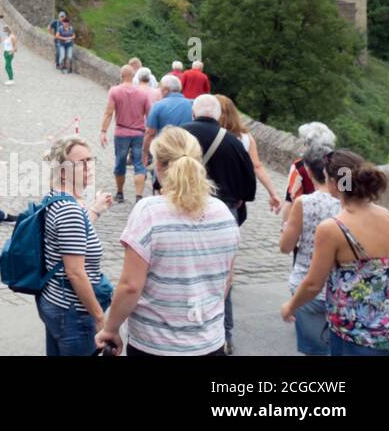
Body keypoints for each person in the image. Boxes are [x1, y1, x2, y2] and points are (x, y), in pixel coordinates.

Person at [96, 128, 240, 356]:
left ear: (159, 166)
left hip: (156, 344)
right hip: (209, 342)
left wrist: (110, 328)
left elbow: (131, 286)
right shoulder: (223, 212)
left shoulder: (149, 211)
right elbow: (226, 279)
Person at [281, 150, 389, 356]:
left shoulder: (333, 228)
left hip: (355, 335)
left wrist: (291, 305)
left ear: (335, 183)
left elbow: (313, 284)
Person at [182, 93, 257, 352]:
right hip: (224, 213)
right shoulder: (235, 143)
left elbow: (160, 179)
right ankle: (223, 335)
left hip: (183, 208)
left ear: (193, 113)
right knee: (221, 274)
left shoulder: (178, 136)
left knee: (182, 269)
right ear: (218, 116)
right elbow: (249, 190)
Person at [39, 137, 114, 355]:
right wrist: (100, 318)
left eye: (90, 160)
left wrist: (95, 210)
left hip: (56, 302)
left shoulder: (56, 197)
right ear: (63, 171)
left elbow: (72, 236)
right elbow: (75, 272)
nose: (88, 166)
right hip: (73, 311)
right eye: (80, 162)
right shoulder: (69, 210)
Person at [277, 144, 340, 355]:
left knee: (315, 351)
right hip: (341, 290)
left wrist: (285, 227)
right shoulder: (349, 202)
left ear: (309, 170)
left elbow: (286, 247)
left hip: (307, 288)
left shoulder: (304, 203)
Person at [216, 94, 282, 213]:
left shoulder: (207, 133)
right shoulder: (245, 137)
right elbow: (257, 166)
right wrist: (273, 193)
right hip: (234, 194)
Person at [101, 65, 152, 203]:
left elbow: (109, 113)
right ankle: (138, 196)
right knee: (139, 164)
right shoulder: (143, 93)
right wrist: (149, 133)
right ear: (133, 75)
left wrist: (103, 131)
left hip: (121, 132)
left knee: (120, 163)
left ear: (121, 75)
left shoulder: (115, 91)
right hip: (139, 133)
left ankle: (120, 193)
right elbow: (150, 115)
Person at [143, 74, 192, 171]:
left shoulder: (158, 106)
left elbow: (150, 133)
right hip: (185, 150)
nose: (159, 90)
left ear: (166, 90)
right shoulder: (191, 104)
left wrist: (145, 153)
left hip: (164, 151)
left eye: (160, 88)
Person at [285, 122, 337, 203]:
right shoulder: (341, 164)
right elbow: (348, 192)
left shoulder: (299, 166)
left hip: (306, 211)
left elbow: (291, 197)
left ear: (309, 145)